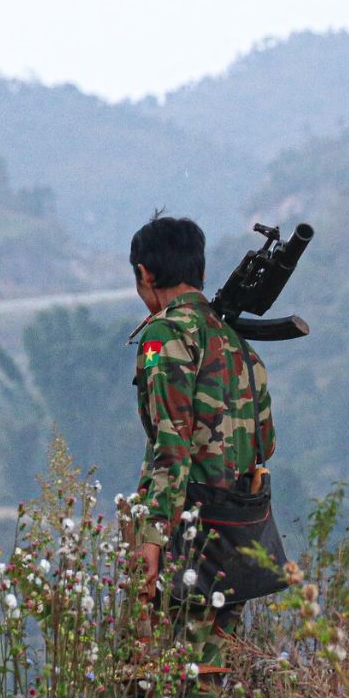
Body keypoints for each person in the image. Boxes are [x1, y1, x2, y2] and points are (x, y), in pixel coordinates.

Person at [126, 213, 278, 649]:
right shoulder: (238, 343)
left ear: (145, 273)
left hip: (188, 536)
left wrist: (151, 541)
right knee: (205, 673)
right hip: (237, 532)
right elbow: (265, 443)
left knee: (168, 678)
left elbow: (170, 449)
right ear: (202, 271)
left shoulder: (163, 337)